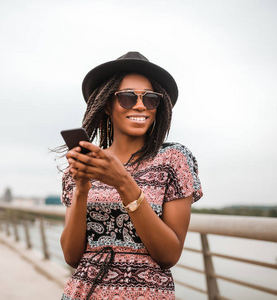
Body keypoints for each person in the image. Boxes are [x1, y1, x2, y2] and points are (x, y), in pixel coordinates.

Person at [60, 52, 203, 300]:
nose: (139, 105)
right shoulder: (87, 164)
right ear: (107, 104)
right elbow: (72, 257)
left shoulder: (174, 160)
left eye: (150, 99)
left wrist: (124, 183)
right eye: (127, 97)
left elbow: (169, 256)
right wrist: (81, 189)